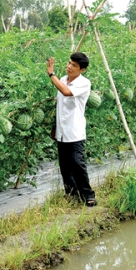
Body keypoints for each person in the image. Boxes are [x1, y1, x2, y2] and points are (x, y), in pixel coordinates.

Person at [46, 52, 96, 207]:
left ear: (82, 70)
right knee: (65, 166)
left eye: (74, 65)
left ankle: (88, 195)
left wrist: (51, 74)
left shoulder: (84, 83)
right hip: (62, 131)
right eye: (69, 63)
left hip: (75, 131)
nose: (69, 67)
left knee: (77, 163)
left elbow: (66, 92)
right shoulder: (62, 80)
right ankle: (71, 194)